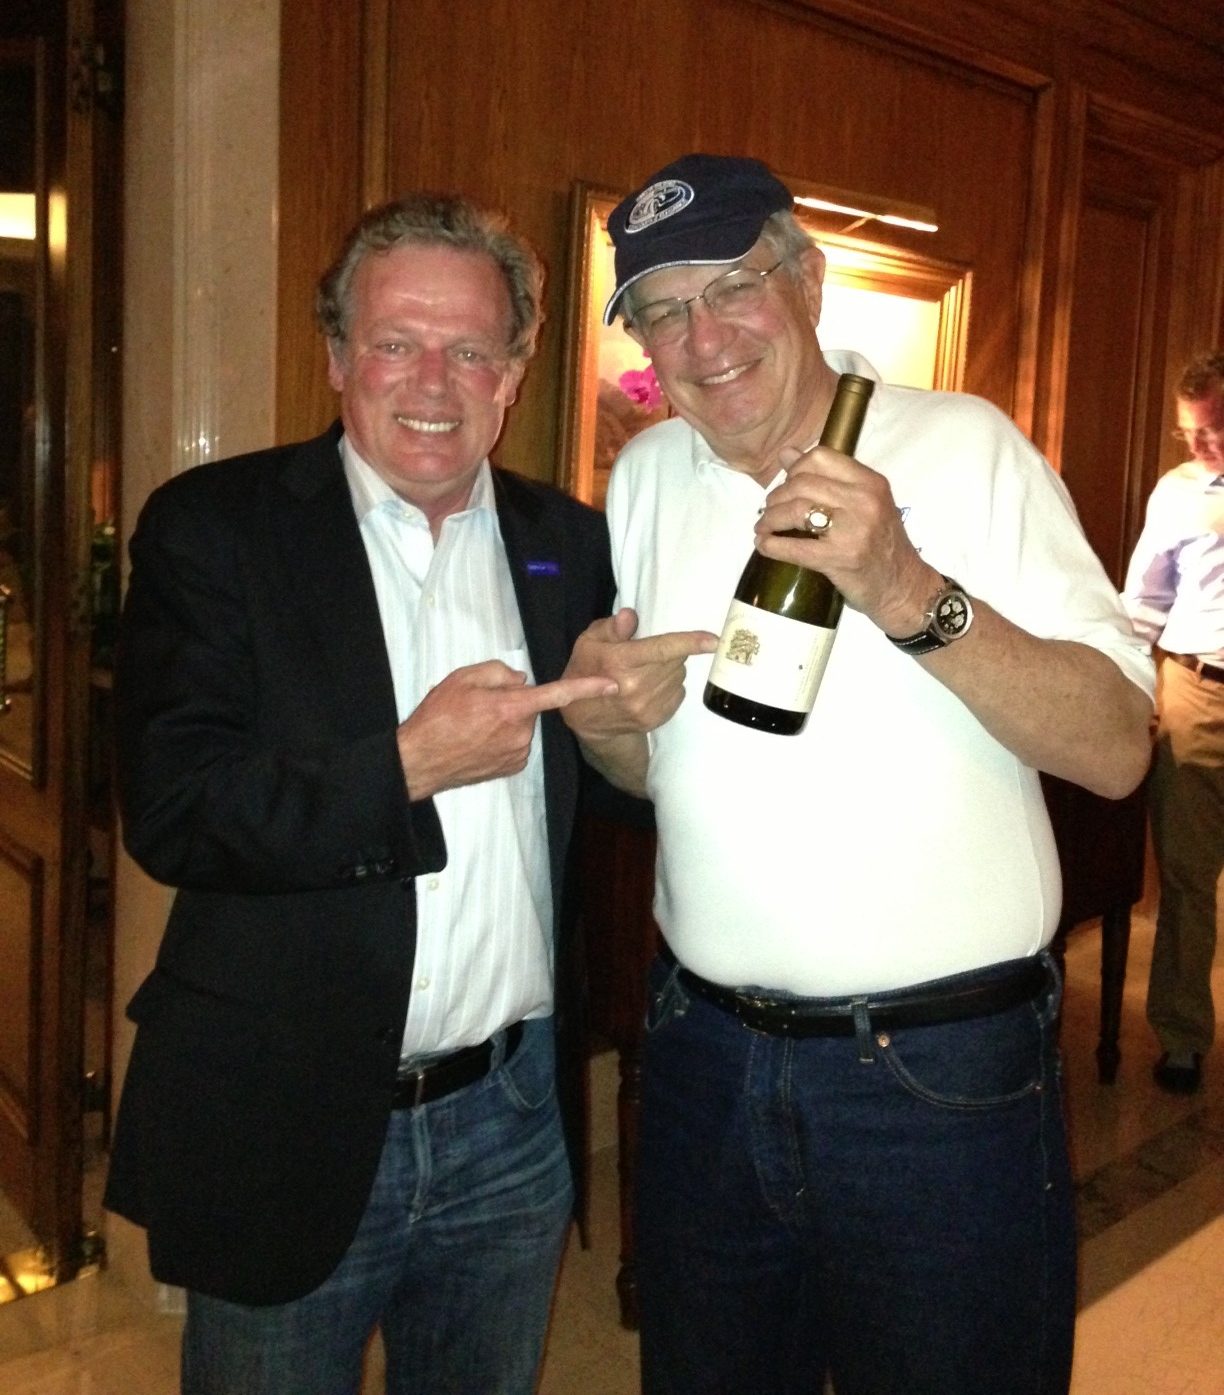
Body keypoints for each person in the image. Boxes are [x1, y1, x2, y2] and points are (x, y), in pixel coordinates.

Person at [559, 154, 1155, 1395]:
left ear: (808, 280)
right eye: (662, 311)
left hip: (935, 1078)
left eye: (733, 286)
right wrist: (607, 726)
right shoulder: (648, 475)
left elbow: (1114, 749)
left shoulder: (966, 447)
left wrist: (907, 589)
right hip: (702, 1058)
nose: (703, 338)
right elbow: (661, 771)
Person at [104, 194, 623, 1395]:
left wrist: (636, 733)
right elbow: (176, 810)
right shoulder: (215, 529)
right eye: (396, 342)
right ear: (338, 357)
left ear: (513, 374)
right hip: (283, 1111)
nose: (433, 380)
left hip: (510, 1119)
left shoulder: (567, 544)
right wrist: (408, 766)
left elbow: (601, 800)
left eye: (471, 350)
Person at [1122, 351, 1224, 1097]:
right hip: (1195, 690)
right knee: (1187, 877)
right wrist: (1128, 688)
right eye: (1188, 431)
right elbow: (1144, 602)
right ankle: (1183, 1037)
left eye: (1214, 430)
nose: (1199, 445)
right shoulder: (1178, 492)